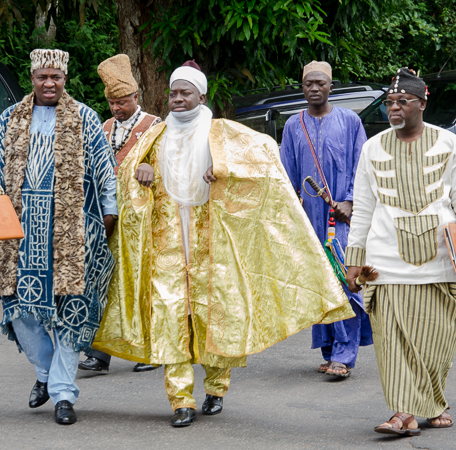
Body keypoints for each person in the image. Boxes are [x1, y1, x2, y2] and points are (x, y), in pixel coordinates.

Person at [92, 61, 354, 427]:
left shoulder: (222, 134)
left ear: (202, 96)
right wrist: (143, 172)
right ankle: (180, 400)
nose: (178, 99)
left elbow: (263, 161)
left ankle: (215, 388)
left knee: (214, 317)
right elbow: (129, 180)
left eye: (186, 93)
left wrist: (226, 172)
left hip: (211, 245)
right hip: (167, 247)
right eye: (173, 92)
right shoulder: (155, 137)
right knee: (170, 318)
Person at [0, 49, 117, 425]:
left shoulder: (86, 118)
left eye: (56, 77)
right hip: (20, 234)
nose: (49, 83)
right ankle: (44, 372)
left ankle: (62, 395)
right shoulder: (10, 118)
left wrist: (110, 214)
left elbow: (106, 171)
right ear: (32, 77)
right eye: (43, 77)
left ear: (65, 78)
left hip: (74, 233)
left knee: (71, 314)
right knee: (21, 311)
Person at [345, 67, 456, 436]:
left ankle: (434, 402)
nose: (394, 108)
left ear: (422, 103)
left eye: (402, 101)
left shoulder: (447, 142)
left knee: (435, 343)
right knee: (392, 344)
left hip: (440, 261)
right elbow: (362, 208)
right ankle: (403, 413)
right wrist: (354, 260)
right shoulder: (372, 148)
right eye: (390, 102)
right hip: (385, 262)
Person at [280, 61, 373, 378]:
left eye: (320, 83)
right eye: (309, 83)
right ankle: (331, 349)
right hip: (308, 220)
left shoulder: (350, 121)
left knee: (345, 280)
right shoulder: (294, 125)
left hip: (342, 219)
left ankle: (345, 356)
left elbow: (363, 166)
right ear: (302, 87)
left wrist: (349, 200)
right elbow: (287, 177)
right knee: (319, 284)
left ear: (331, 86)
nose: (314, 88)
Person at [79, 53, 161, 374]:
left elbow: (167, 169)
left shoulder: (155, 126)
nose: (116, 108)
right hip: (109, 218)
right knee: (105, 281)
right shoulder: (104, 128)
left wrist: (149, 167)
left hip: (143, 222)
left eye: (122, 101)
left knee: (141, 283)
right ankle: (100, 354)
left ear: (136, 97)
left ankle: (147, 350)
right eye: (112, 102)